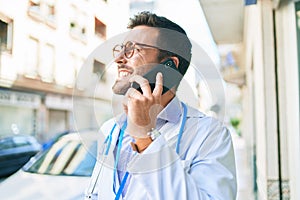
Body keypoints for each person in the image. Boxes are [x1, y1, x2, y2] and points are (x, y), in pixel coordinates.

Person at [86, 11, 237, 200]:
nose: (118, 59)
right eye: (121, 49)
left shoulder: (210, 135)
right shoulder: (110, 129)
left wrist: (144, 136)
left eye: (133, 49)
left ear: (169, 66)